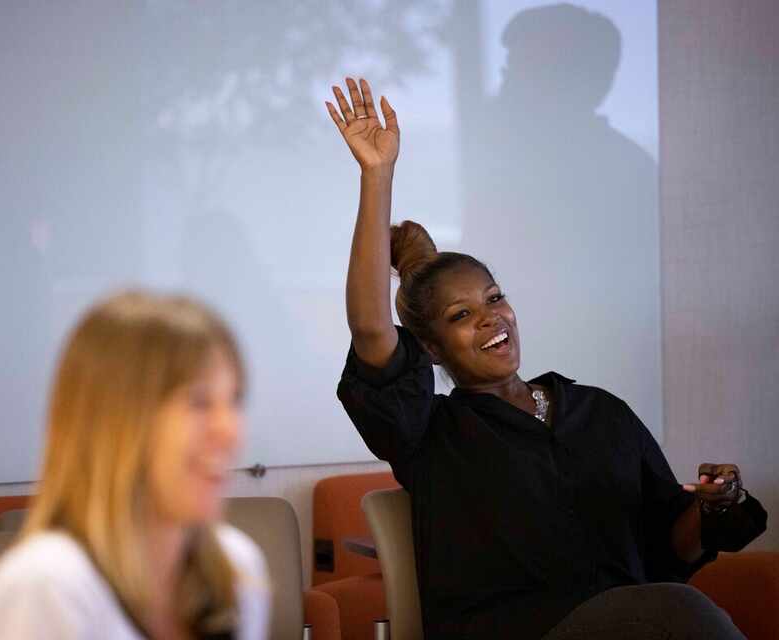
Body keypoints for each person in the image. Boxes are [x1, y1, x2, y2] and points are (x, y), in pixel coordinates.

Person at [326, 78, 767, 640]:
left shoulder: (599, 413)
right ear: (430, 348)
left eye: (493, 299)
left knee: (673, 603)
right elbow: (368, 325)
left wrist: (713, 505)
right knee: (681, 611)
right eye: (460, 317)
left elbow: (666, 549)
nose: (490, 318)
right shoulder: (430, 434)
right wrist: (377, 175)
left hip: (636, 622)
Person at [0, 291, 269, 640]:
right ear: (116, 424)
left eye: (235, 399)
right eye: (199, 402)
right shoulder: (45, 586)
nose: (230, 431)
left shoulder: (237, 569)